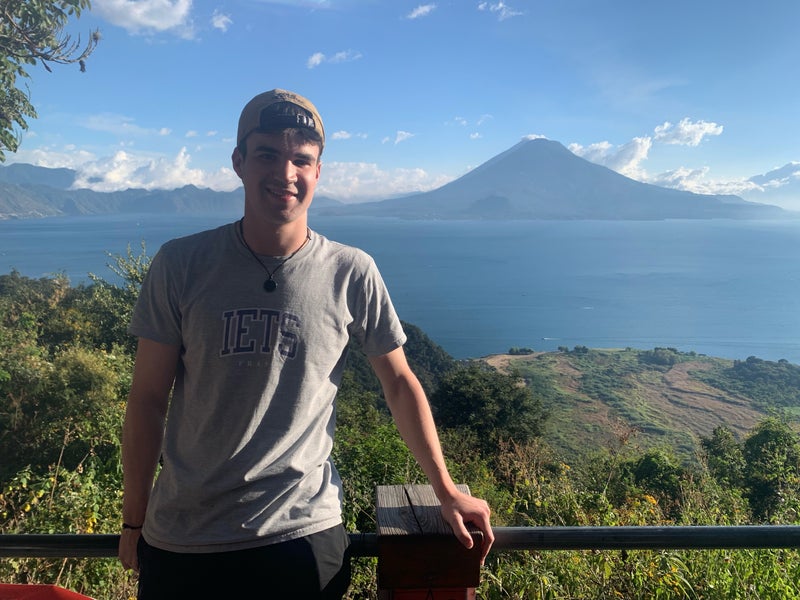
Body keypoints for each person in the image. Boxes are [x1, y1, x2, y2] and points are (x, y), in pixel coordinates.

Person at [117, 88, 494, 598]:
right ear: (238, 162)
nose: (285, 172)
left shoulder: (351, 271)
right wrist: (134, 520)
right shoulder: (181, 264)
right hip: (183, 540)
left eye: (301, 159)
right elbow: (147, 399)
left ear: (318, 170)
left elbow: (399, 383)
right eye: (267, 154)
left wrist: (445, 491)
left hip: (301, 539)